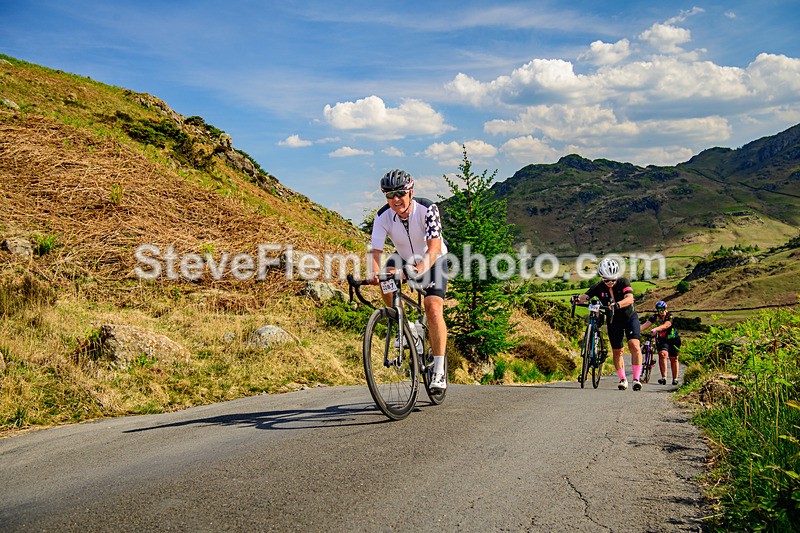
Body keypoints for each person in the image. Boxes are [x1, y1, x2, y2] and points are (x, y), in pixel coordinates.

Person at [368, 169, 449, 391]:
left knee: (432, 308)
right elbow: (375, 251)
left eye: (400, 193)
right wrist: (373, 272)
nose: (396, 199)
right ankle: (405, 329)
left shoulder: (428, 208)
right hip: (404, 256)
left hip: (433, 258)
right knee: (385, 278)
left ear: (411, 191)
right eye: (390, 195)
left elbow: (434, 247)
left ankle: (439, 370)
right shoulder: (382, 216)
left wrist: (418, 269)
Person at [572, 258, 644, 391]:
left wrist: (617, 305)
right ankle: (623, 379)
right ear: (602, 278)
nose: (610, 283)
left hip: (629, 317)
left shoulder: (623, 282)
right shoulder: (598, 286)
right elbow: (585, 297)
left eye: (613, 280)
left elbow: (630, 298)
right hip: (613, 320)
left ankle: (636, 379)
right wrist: (576, 299)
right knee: (617, 351)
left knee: (634, 345)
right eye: (606, 280)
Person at [641, 300, 681, 385]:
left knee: (674, 358)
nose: (661, 311)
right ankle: (664, 377)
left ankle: (675, 378)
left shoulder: (670, 316)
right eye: (659, 309)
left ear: (665, 308)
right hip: (663, 339)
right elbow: (646, 324)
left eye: (662, 309)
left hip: (673, 339)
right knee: (662, 354)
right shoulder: (655, 316)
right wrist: (637, 330)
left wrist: (656, 329)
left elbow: (667, 325)